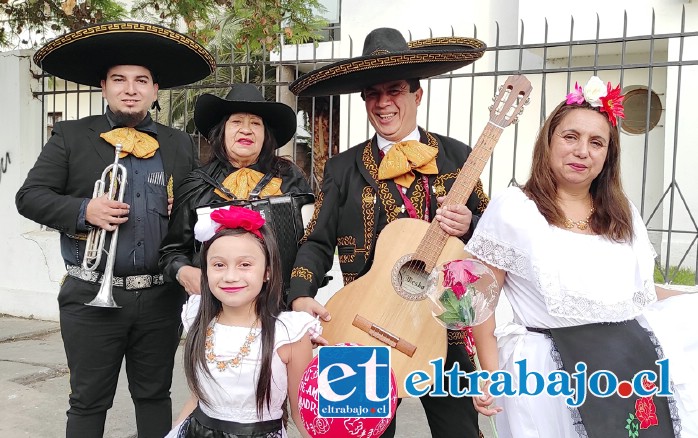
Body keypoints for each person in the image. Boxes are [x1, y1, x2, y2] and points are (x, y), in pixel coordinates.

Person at [467, 76, 698, 437]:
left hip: (628, 367)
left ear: (608, 156)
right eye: (570, 137)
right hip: (548, 375)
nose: (582, 151)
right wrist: (489, 372)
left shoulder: (623, 213)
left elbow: (638, 293)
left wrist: (691, 299)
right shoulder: (515, 208)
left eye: (596, 143)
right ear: (549, 141)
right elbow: (480, 297)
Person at [287, 27, 490, 437]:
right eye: (372, 93)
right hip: (365, 323)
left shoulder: (457, 156)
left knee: (461, 432)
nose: (384, 103)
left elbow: (492, 240)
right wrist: (300, 293)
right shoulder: (342, 167)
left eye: (395, 90)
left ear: (417, 94)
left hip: (442, 324)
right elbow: (317, 238)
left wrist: (470, 228)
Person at [15, 22, 215, 438]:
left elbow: (199, 211)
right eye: (119, 79)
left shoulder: (179, 143)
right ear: (103, 86)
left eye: (141, 80)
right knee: (88, 401)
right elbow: (30, 196)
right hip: (90, 295)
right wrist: (84, 209)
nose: (131, 89)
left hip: (160, 296)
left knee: (154, 395)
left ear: (155, 90)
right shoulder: (72, 135)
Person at [166, 205, 317, 438]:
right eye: (218, 265)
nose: (230, 276)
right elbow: (198, 397)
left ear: (267, 272)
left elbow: (302, 413)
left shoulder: (290, 333)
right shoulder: (198, 319)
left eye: (245, 264)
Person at [159, 83, 311, 297]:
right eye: (237, 122)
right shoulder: (196, 184)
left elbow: (312, 244)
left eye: (256, 124)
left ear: (266, 135)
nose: (246, 130)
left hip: (279, 302)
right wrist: (184, 272)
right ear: (222, 132)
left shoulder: (290, 179)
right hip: (216, 304)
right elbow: (172, 252)